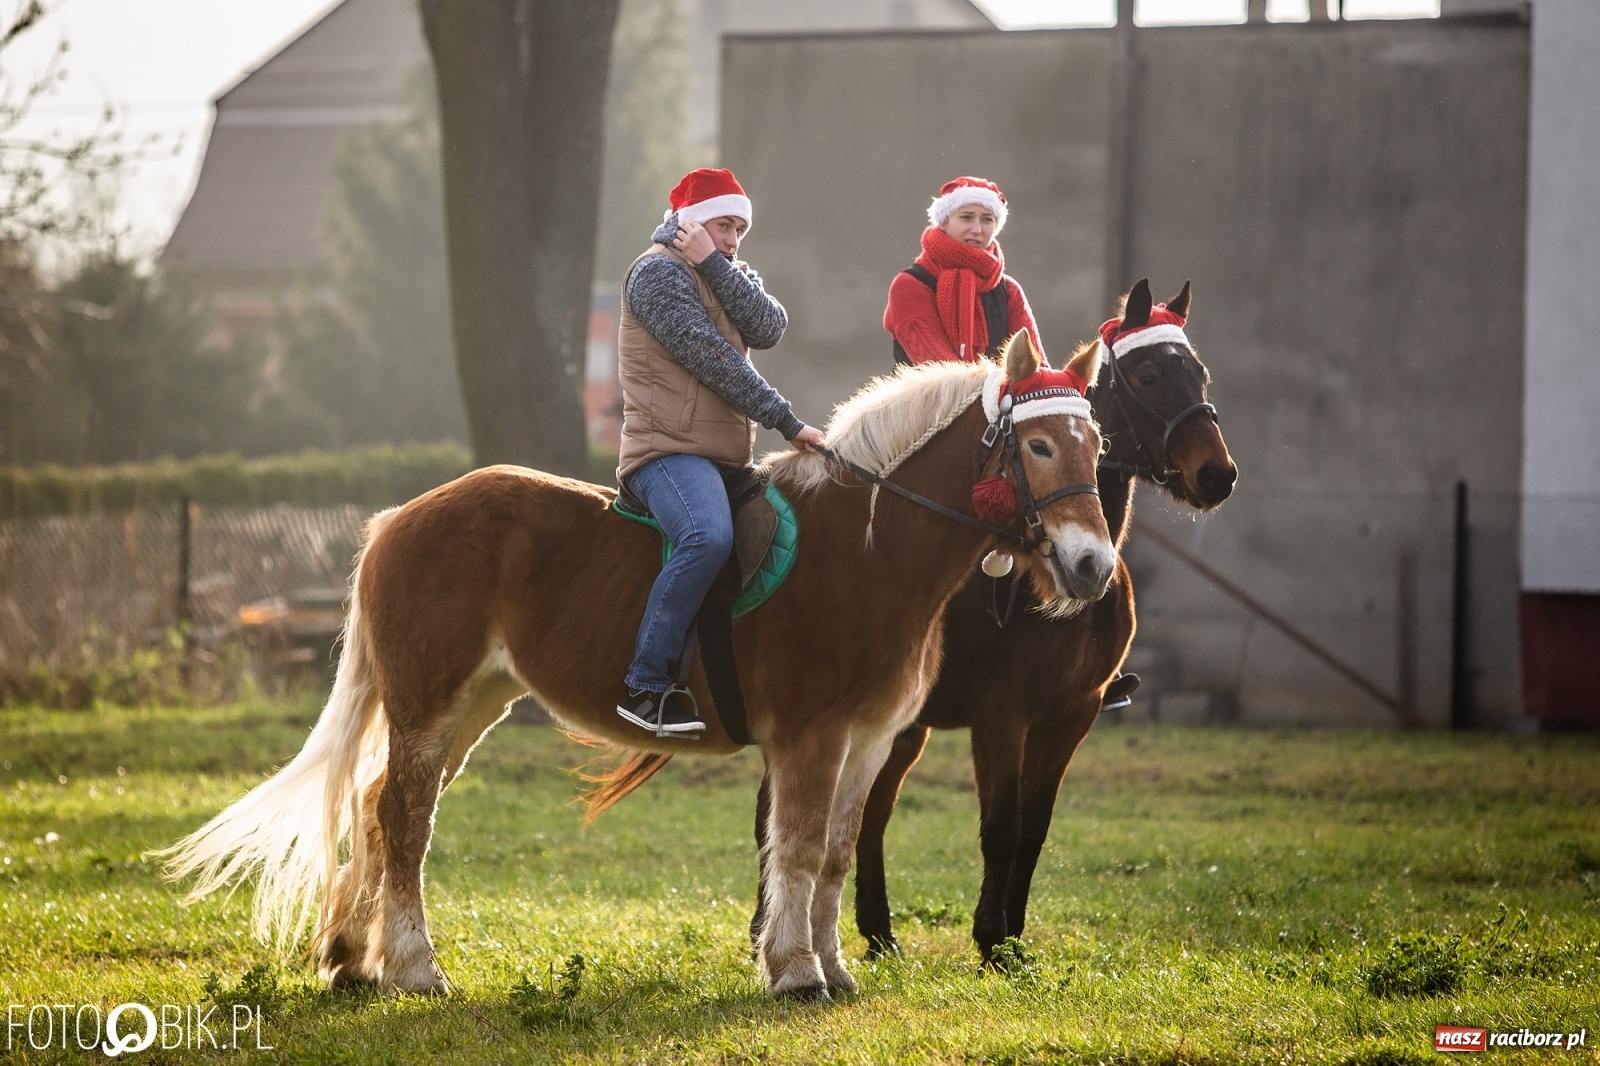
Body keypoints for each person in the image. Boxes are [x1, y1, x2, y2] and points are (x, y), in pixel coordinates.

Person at [615, 167, 824, 739]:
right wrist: (787, 420)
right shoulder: (657, 275)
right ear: (689, 223)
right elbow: (711, 358)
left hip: (722, 456)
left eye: (739, 229)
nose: (733, 239)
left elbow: (770, 326)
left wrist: (714, 260)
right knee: (708, 536)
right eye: (722, 226)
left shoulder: (723, 270)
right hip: (667, 454)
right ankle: (646, 685)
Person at [882, 176, 1046, 366]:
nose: (977, 229)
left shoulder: (1009, 290)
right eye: (966, 217)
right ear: (943, 222)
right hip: (931, 396)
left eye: (987, 220)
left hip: (999, 395)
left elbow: (1034, 366)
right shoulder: (910, 284)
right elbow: (939, 369)